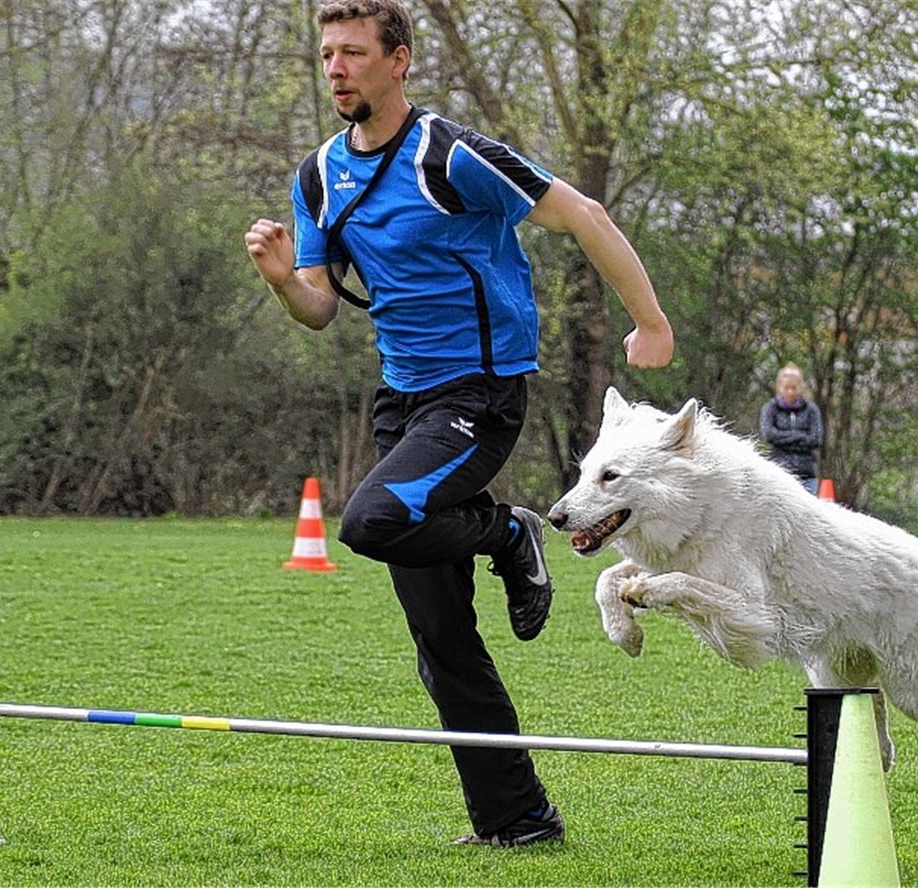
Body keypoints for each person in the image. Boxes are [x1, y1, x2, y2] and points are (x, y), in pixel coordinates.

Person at [244, 0, 673, 849]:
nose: (335, 68)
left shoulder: (454, 155)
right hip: (401, 402)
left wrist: (649, 323)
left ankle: (511, 531)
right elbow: (321, 306)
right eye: (327, 53)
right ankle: (518, 820)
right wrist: (278, 280)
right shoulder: (319, 175)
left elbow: (583, 212)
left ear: (399, 61)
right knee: (439, 631)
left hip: (480, 396)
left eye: (354, 53)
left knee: (371, 521)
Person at [759, 363, 823, 495]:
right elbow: (769, 435)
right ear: (779, 387)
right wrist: (799, 436)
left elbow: (815, 439)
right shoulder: (770, 408)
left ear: (800, 387)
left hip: (806, 473)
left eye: (794, 388)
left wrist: (784, 438)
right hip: (779, 472)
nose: (790, 392)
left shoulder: (811, 410)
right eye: (786, 388)